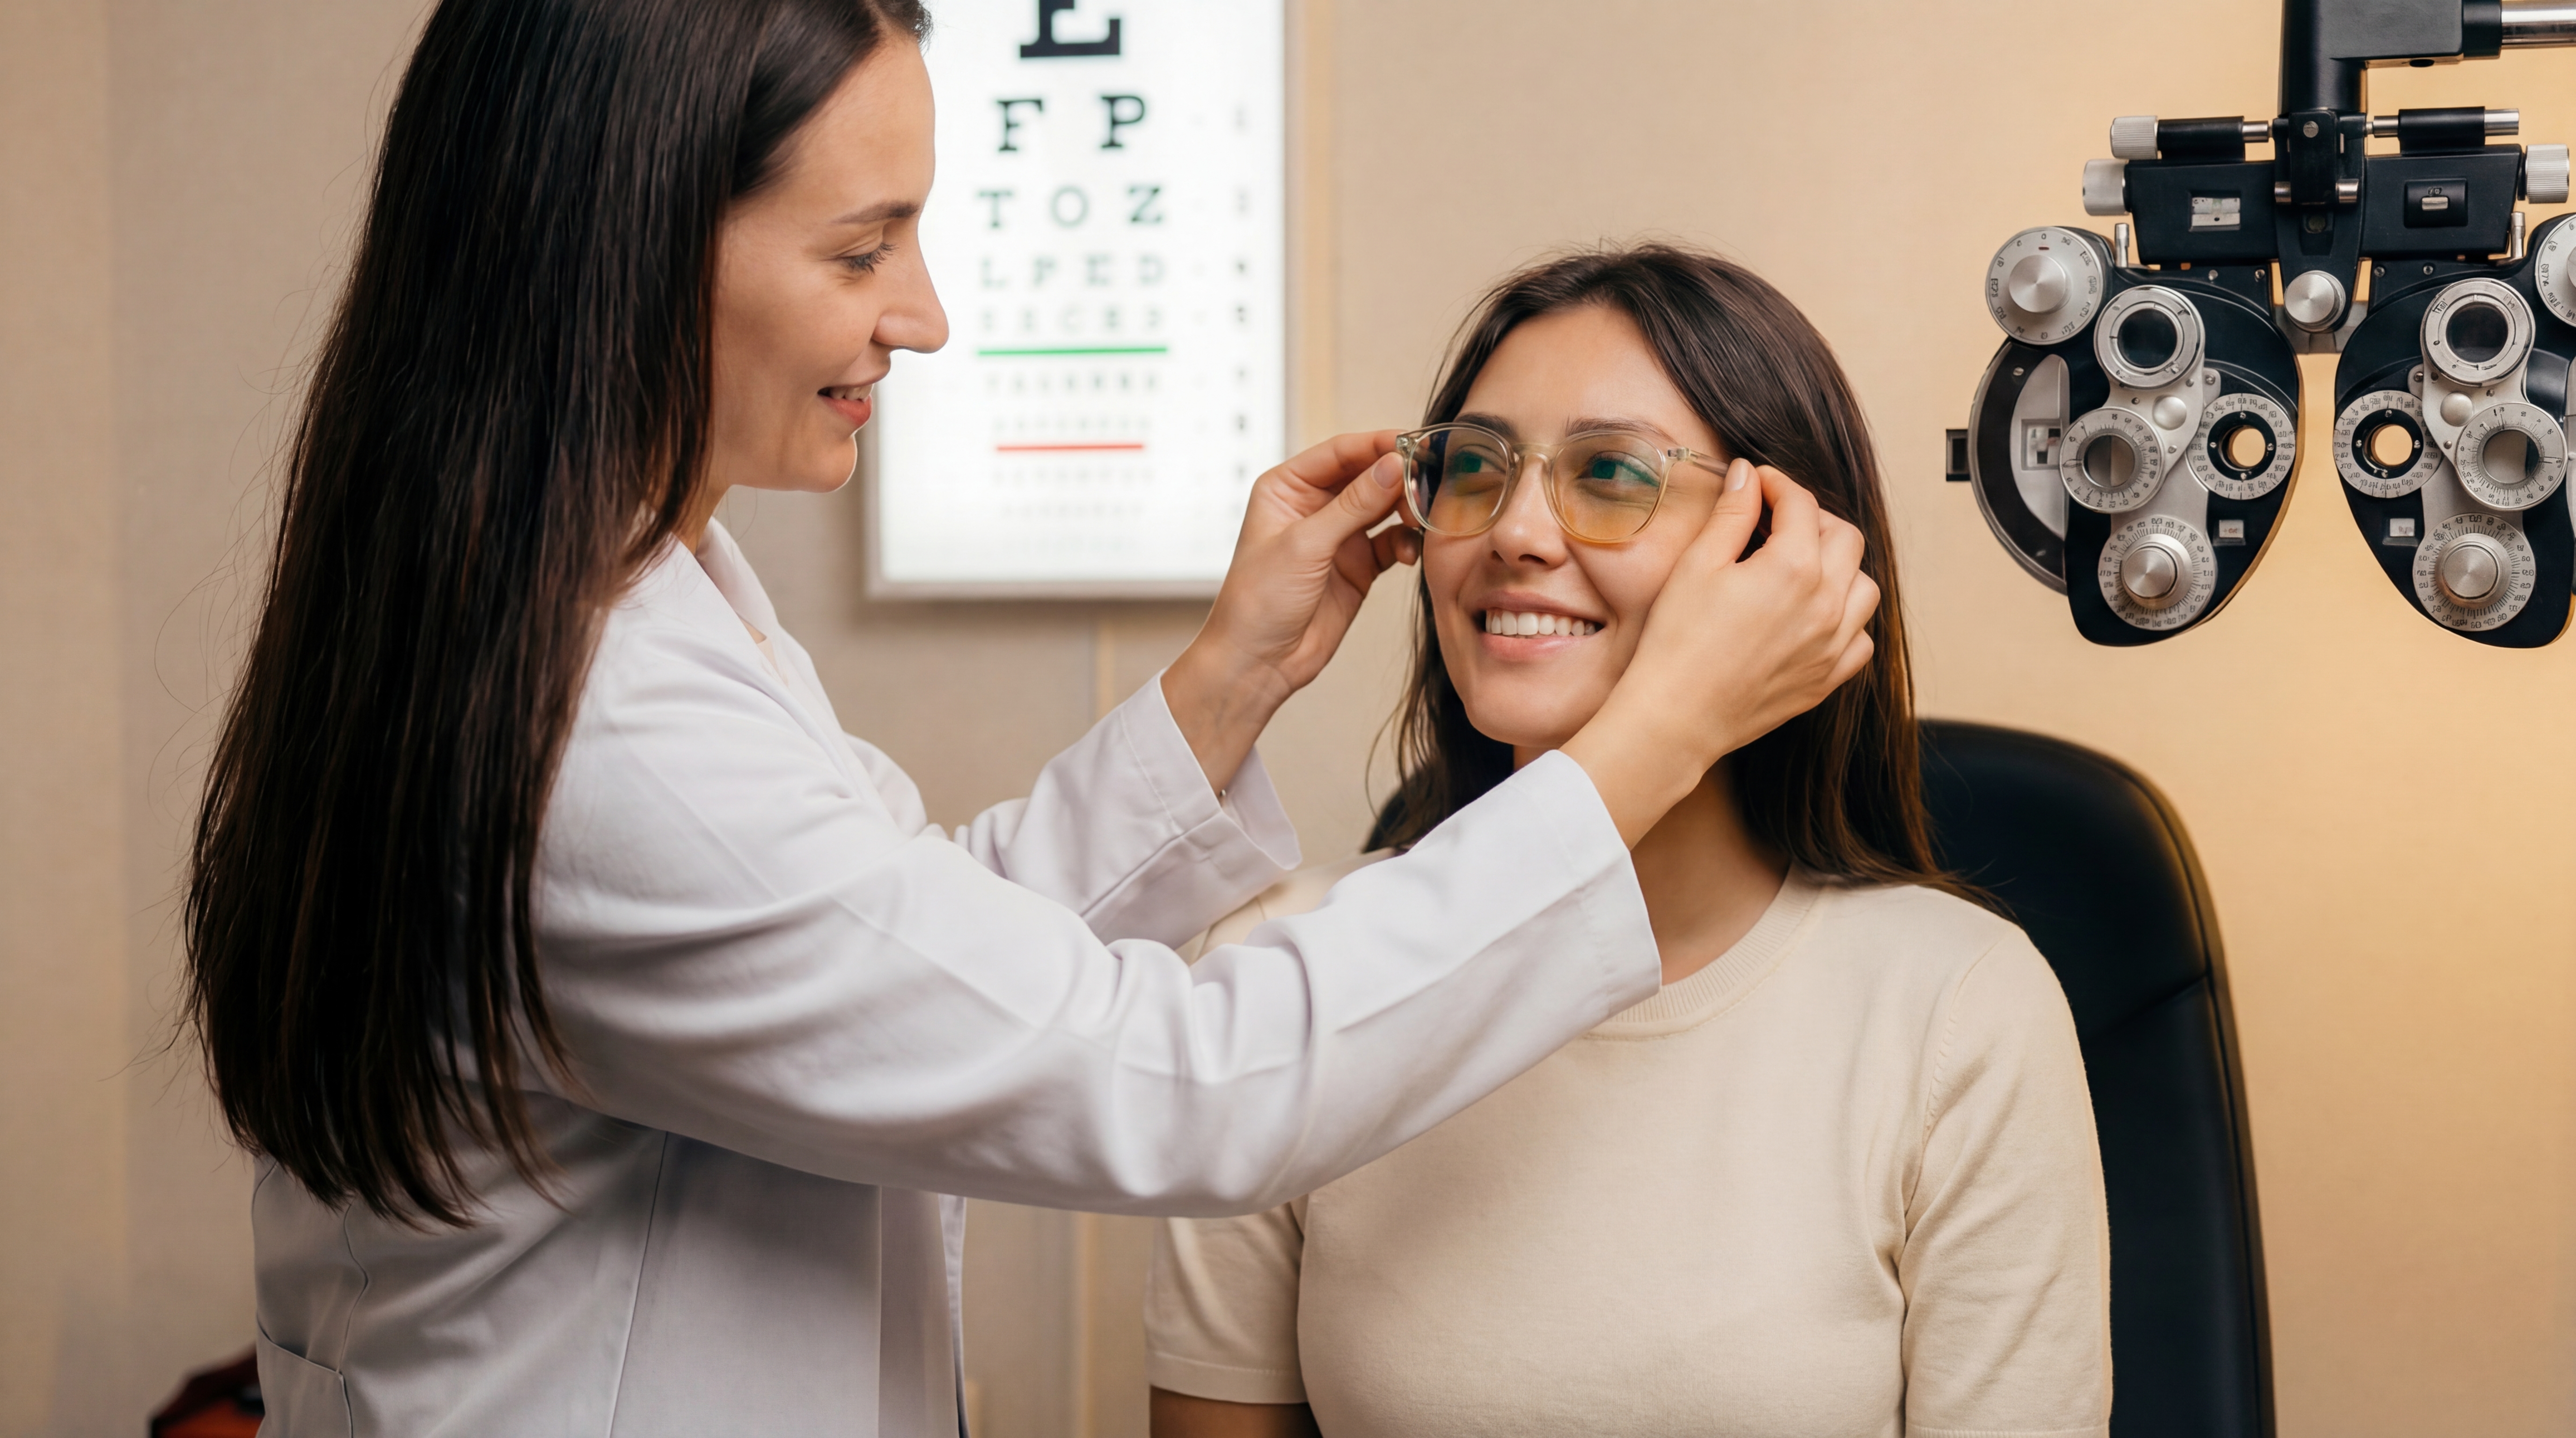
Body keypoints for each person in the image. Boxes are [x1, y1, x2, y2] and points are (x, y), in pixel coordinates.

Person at [179, 4, 1879, 1434]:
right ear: (619, 245)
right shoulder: (605, 730)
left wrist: (1231, 678)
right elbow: (1178, 1079)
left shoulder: (613, 603)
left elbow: (893, 957)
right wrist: (1647, 737)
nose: (920, 313)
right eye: (862, 247)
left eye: (1608, 478)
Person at [1144, 245, 2112, 1438]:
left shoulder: (1956, 1009)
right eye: (1474, 470)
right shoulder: (1283, 973)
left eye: (1610, 474)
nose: (1515, 533)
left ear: (1785, 551)